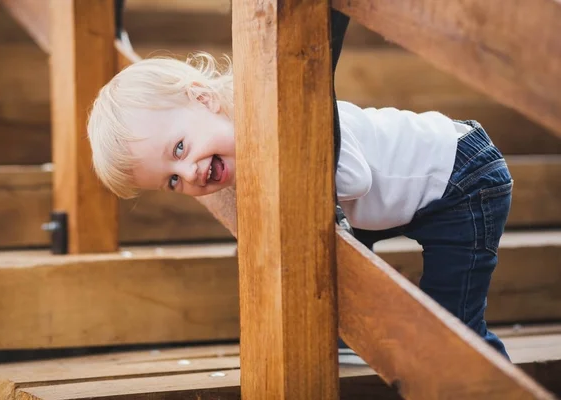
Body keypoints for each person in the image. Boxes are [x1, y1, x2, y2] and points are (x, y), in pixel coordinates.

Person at [86, 50, 513, 360]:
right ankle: (349, 332)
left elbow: (355, 179)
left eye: (180, 147)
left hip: (462, 178)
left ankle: (488, 382)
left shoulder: (290, 117)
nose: (190, 172)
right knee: (336, 248)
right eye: (172, 180)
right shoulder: (239, 153)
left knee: (453, 331)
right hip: (400, 196)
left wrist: (282, 187)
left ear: (204, 99)